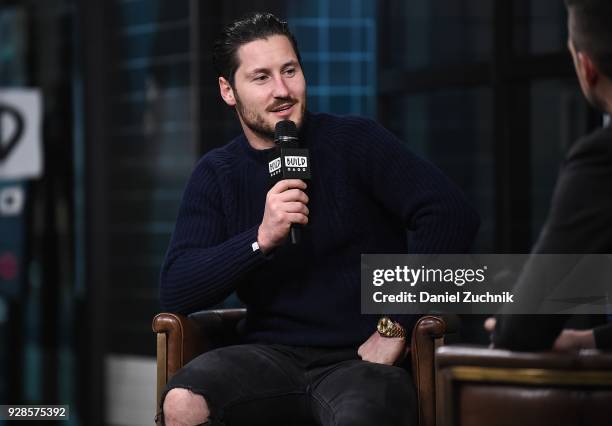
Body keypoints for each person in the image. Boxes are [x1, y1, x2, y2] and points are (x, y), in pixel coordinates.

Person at [159, 12, 479, 426]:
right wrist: (260, 239)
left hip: (359, 359)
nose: (282, 90)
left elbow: (451, 216)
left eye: (289, 70)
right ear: (228, 91)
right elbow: (177, 287)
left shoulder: (355, 142)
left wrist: (396, 325)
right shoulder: (217, 173)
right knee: (183, 403)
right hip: (268, 355)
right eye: (261, 77)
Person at [491, 0, 612, 351]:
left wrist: (508, 320)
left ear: (586, 66)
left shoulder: (600, 158)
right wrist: (588, 339)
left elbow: (519, 331)